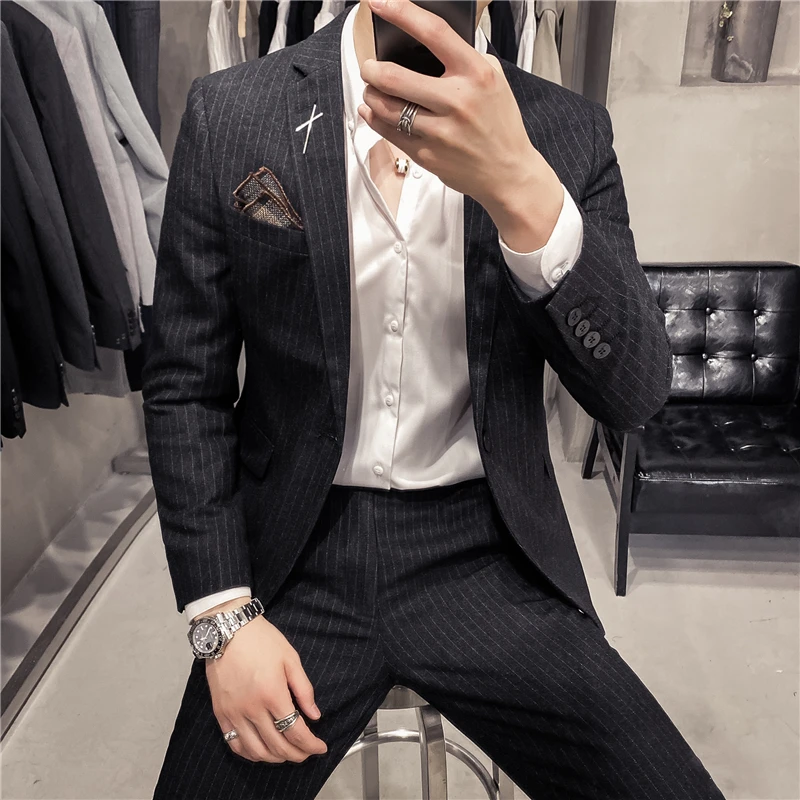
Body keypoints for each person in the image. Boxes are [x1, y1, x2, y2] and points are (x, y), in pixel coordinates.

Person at [142, 0, 726, 797]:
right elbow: (185, 384)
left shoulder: (564, 131)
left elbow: (634, 393)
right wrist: (220, 616)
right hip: (294, 555)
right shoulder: (236, 110)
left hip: (487, 552)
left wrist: (519, 186)